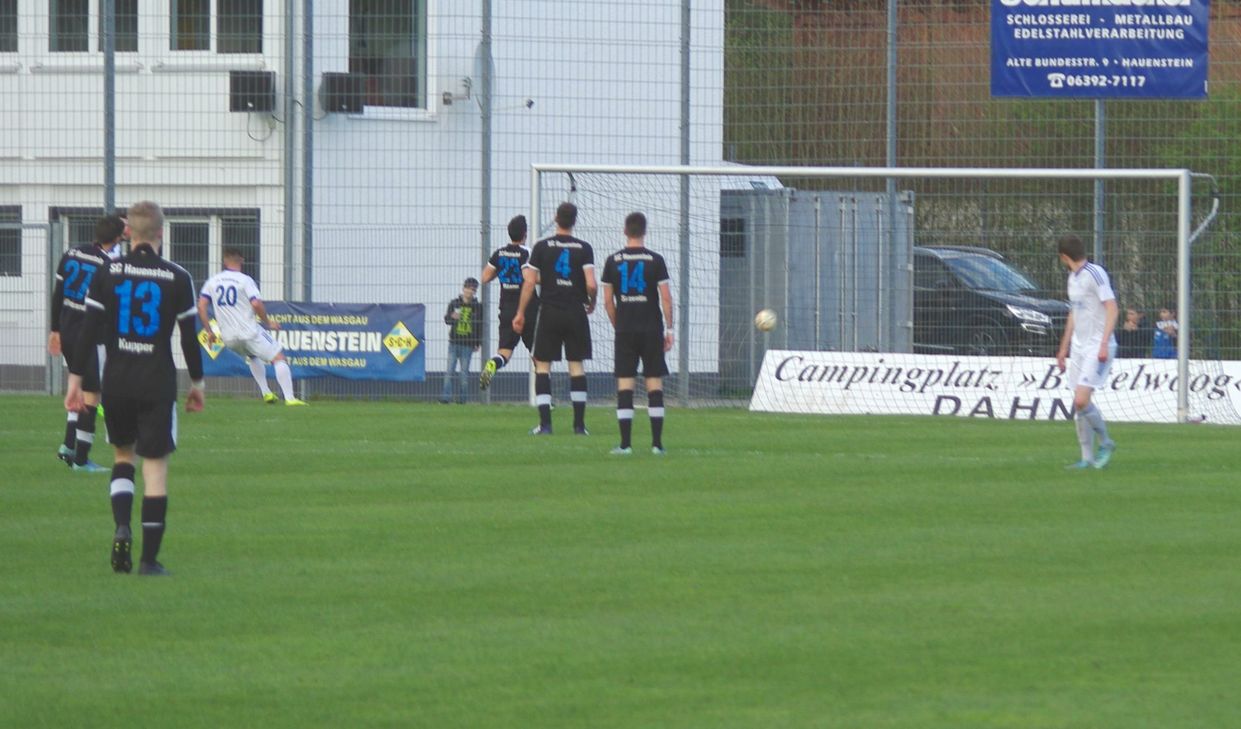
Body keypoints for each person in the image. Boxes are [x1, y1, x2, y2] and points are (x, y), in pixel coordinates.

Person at [64, 200, 205, 576]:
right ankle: (148, 561)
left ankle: (121, 525)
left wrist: (75, 383)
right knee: (155, 470)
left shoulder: (108, 272)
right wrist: (197, 384)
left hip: (117, 382)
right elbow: (190, 339)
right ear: (161, 232)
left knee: (123, 458)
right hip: (156, 383)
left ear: (129, 233)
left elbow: (88, 332)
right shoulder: (177, 276)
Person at [48, 214, 126, 473]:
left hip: (66, 326)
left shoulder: (71, 253)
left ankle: (68, 445)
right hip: (88, 332)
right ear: (116, 239)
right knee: (92, 393)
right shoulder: (107, 264)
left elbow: (58, 293)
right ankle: (81, 460)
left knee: (79, 386)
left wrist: (54, 329)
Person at [512, 202, 597, 435]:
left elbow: (530, 281)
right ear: (574, 221)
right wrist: (592, 301)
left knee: (542, 365)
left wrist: (520, 313)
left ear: (556, 218)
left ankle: (546, 425)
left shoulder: (542, 246)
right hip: (575, 311)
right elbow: (591, 283)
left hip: (549, 311)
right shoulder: (584, 248)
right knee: (576, 366)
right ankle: (579, 426)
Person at [600, 212, 674, 455]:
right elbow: (665, 297)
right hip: (652, 328)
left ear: (625, 230)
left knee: (625, 386)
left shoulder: (612, 261)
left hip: (625, 330)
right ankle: (657, 444)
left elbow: (608, 302)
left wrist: (617, 324)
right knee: (654, 384)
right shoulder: (656, 260)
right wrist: (670, 328)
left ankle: (625, 444)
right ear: (644, 231)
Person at [198, 247, 305, 405]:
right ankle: (290, 398)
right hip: (249, 332)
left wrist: (209, 331)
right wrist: (268, 322)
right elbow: (256, 303)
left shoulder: (213, 281)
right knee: (279, 357)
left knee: (252, 356)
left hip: (228, 337)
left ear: (224, 261)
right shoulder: (245, 280)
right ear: (242, 260)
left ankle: (266, 393)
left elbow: (201, 306)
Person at [1055, 235, 1118, 470]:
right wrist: (1063, 349)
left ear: (1063, 256)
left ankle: (1107, 442)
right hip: (1080, 348)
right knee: (1079, 404)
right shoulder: (1073, 279)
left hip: (1098, 346)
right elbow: (1074, 313)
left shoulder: (1095, 273)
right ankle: (1087, 458)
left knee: (1081, 400)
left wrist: (1103, 344)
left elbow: (1112, 308)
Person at [478, 215, 540, 390]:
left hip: (506, 308)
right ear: (524, 234)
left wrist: (504, 271)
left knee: (504, 352)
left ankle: (493, 364)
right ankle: (545, 397)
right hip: (527, 308)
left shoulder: (499, 253)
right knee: (538, 355)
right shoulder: (527, 252)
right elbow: (530, 278)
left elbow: (484, 277)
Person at [441, 277, 482, 404]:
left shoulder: (477, 307)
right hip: (454, 342)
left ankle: (462, 400)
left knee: (464, 374)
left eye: (473, 290)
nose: (470, 292)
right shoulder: (454, 303)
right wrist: (453, 317)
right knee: (449, 371)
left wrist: (478, 342)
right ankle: (445, 398)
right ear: (463, 289)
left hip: (468, 344)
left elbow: (480, 325)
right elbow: (447, 320)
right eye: (469, 289)